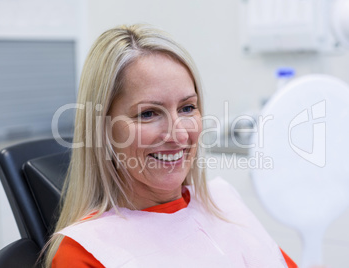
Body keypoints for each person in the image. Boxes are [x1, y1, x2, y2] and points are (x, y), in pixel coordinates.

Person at [45, 24, 297, 268]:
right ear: (103, 129)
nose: (178, 134)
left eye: (187, 108)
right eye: (148, 113)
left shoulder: (223, 201)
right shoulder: (84, 252)